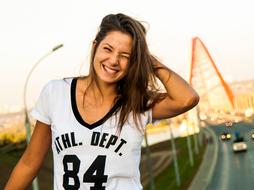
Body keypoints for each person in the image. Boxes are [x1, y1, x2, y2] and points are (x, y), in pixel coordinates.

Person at [5, 13, 199, 190]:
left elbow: (187, 98)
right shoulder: (56, 93)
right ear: (94, 46)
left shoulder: (136, 103)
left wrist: (148, 60)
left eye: (125, 56)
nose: (114, 60)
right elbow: (29, 163)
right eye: (108, 49)